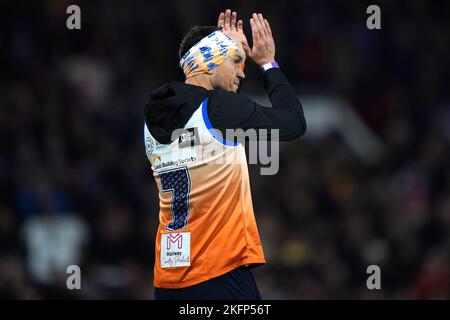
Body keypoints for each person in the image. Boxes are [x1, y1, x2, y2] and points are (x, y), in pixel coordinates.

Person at [144, 9, 306, 300]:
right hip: (218, 273)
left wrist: (226, 44)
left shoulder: (151, 119)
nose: (243, 72)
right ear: (209, 59)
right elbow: (294, 123)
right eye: (236, 61)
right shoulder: (219, 109)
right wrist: (268, 64)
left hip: (168, 279)